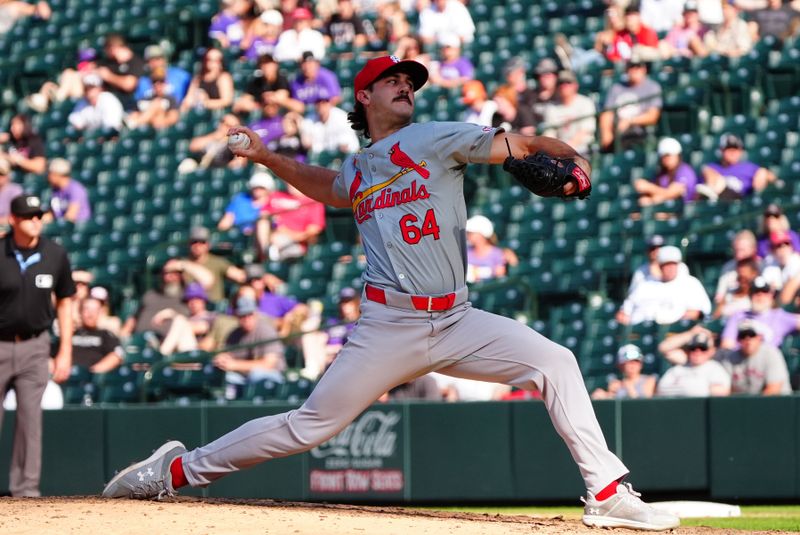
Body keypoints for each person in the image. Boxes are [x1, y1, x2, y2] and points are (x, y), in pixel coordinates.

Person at [102, 54, 680, 532]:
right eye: (392, 80)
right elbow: (327, 186)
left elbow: (526, 143)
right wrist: (266, 156)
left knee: (556, 361)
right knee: (310, 427)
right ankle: (175, 473)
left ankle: (606, 492)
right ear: (364, 98)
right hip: (387, 326)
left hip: (457, 319)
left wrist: (572, 158)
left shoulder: (435, 137)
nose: (405, 85)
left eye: (410, 81)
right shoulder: (358, 168)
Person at [0, 194, 74, 497]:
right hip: (0, 344)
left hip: (35, 346)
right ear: (12, 220)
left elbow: (66, 301)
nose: (35, 221)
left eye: (38, 215)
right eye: (28, 216)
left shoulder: (54, 254)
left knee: (31, 422)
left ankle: (26, 491)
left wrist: (65, 349)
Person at [617, 245, 711, 325]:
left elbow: (702, 313)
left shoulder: (690, 284)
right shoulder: (645, 285)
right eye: (666, 265)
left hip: (675, 334)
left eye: (673, 264)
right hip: (640, 332)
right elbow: (623, 312)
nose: (670, 268)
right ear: (660, 266)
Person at [212, 296, 286, 394]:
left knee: (256, 375)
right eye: (243, 315)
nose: (246, 319)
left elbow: (268, 364)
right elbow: (227, 355)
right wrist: (222, 360)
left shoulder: (266, 330)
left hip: (272, 377)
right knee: (226, 377)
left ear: (256, 314)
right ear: (237, 316)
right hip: (243, 378)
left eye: (249, 314)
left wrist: (235, 365)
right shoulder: (235, 334)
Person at [598, 57, 662, 152]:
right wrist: (607, 134)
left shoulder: (652, 87)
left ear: (644, 69)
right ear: (626, 69)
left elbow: (653, 116)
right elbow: (607, 113)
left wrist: (630, 121)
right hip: (617, 133)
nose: (634, 70)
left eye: (638, 67)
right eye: (631, 67)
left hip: (639, 134)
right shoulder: (616, 88)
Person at [720, 276, 800, 350]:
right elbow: (727, 345)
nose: (760, 295)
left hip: (767, 361)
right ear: (750, 296)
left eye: (764, 291)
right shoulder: (737, 316)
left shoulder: (779, 316)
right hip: (740, 360)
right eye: (756, 292)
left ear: (771, 296)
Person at [119, 261, 190, 342]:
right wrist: (125, 332)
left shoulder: (187, 294)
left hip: (168, 341)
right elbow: (134, 318)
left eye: (174, 273)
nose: (169, 277)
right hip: (140, 339)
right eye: (166, 273)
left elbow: (207, 280)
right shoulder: (150, 294)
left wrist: (184, 265)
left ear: (181, 276)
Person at [716, 319, 791, 395]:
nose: (748, 339)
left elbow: (774, 390)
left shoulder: (771, 354)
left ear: (759, 337)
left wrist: (752, 406)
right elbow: (725, 390)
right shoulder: (730, 358)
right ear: (738, 340)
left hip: (778, 404)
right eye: (743, 336)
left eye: (752, 335)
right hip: (744, 404)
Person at [697, 133, 777, 201]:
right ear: (721, 150)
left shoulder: (748, 168)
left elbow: (774, 179)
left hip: (740, 202)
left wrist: (763, 172)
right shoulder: (713, 167)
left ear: (740, 151)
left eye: (735, 149)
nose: (732, 153)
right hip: (719, 201)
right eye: (729, 149)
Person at [177, 226, 246, 304]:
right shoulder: (181, 263)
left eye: (202, 242)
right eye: (194, 242)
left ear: (208, 245)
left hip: (214, 306)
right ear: (189, 244)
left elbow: (240, 276)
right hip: (190, 306)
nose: (197, 245)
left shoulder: (217, 262)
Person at [261, 183, 326, 261]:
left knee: (279, 241)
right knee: (262, 222)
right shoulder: (276, 196)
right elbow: (264, 214)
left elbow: (314, 230)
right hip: (273, 238)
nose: (290, 184)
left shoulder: (313, 201)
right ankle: (264, 259)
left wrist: (289, 234)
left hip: (298, 244)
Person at [656, 330, 731, 396]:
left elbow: (720, 392)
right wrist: (691, 333)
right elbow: (663, 348)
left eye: (703, 348)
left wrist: (684, 388)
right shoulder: (678, 368)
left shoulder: (714, 368)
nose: (697, 352)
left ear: (710, 351)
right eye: (693, 348)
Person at [25, 47, 98, 113]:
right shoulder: (79, 70)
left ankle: (48, 98)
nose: (89, 64)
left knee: (69, 73)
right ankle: (44, 98)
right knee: (48, 84)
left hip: (85, 93)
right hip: (76, 90)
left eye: (91, 62)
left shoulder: (99, 71)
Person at [542, 70, 596, 155]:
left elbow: (585, 131)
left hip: (582, 150)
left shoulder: (585, 103)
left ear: (575, 85)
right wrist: (558, 150)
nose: (564, 86)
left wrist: (567, 149)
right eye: (561, 83)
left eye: (568, 82)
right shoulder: (551, 107)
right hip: (558, 151)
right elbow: (549, 134)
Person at [633, 137, 698, 206]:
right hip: (664, 209)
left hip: (682, 211)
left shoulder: (685, 171)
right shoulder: (662, 174)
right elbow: (659, 194)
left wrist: (649, 188)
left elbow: (672, 193)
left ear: (677, 155)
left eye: (669, 155)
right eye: (663, 156)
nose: (666, 159)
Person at [234, 53, 303, 115]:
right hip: (261, 112)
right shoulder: (256, 82)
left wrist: (270, 97)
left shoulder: (281, 79)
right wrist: (257, 105)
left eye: (268, 64)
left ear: (275, 65)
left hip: (280, 112)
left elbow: (282, 97)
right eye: (263, 64)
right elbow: (243, 101)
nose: (266, 68)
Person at [72, 296, 124, 373]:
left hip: (93, 377)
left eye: (94, 310)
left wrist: (92, 372)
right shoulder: (69, 333)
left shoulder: (105, 335)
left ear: (100, 312)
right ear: (80, 311)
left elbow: (116, 355)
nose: (90, 314)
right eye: (87, 309)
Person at [94, 33, 145, 111]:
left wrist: (108, 76)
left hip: (129, 101)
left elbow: (129, 84)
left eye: (107, 48)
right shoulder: (108, 63)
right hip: (108, 100)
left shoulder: (135, 62)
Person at [591, 344, 657, 400]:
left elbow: (644, 404)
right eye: (629, 362)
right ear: (621, 365)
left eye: (636, 361)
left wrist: (628, 386)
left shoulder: (649, 380)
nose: (633, 365)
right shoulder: (616, 384)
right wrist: (606, 396)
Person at [180, 47, 234, 112]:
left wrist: (205, 103)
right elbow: (188, 98)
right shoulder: (198, 78)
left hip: (216, 114)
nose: (211, 62)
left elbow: (226, 101)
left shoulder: (223, 77)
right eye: (208, 59)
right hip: (197, 112)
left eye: (216, 60)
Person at [44, 158, 92, 224]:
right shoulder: (55, 190)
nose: (48, 176)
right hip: (61, 225)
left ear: (58, 174)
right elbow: (52, 213)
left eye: (50, 173)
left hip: (76, 227)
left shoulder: (75, 189)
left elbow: (71, 216)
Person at [465, 214, 508, 283]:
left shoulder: (496, 253)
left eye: (471, 233)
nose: (468, 235)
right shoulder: (466, 251)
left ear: (481, 234)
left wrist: (478, 272)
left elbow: (500, 272)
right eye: (468, 233)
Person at [0, 158, 23, 228]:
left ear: (8, 175)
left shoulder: (15, 190)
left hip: (9, 228)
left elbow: (17, 216)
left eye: (2, 174)